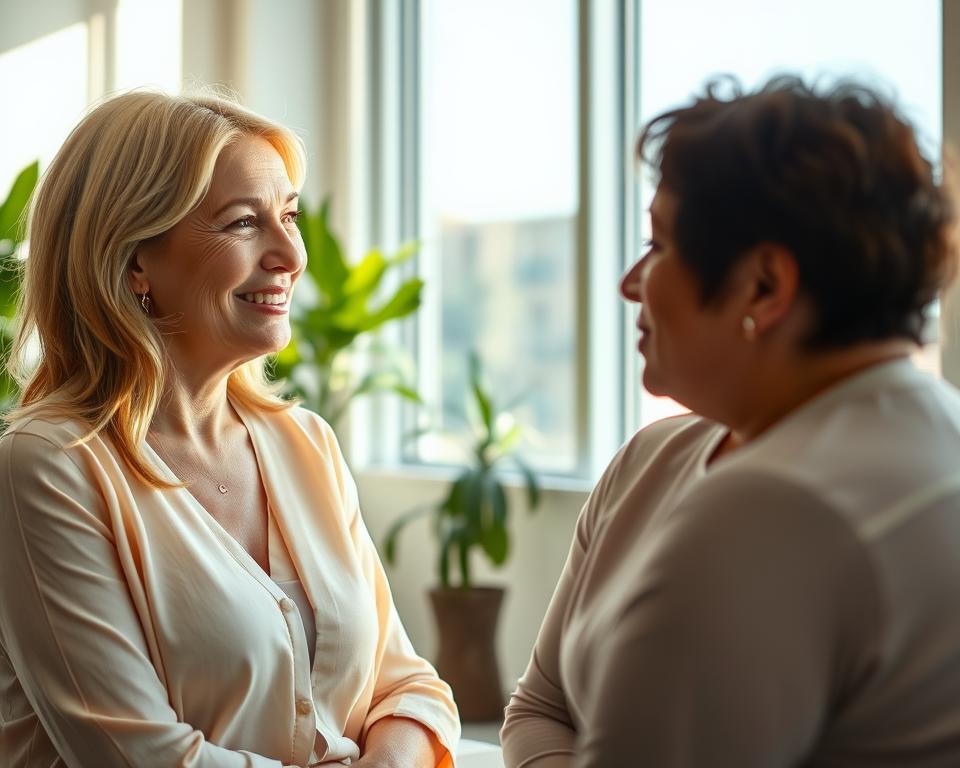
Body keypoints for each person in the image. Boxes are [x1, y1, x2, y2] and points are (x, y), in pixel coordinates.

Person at [501, 76, 960, 767]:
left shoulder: (773, 510)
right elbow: (539, 707)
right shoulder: (653, 460)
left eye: (659, 245)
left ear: (764, 285)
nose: (631, 282)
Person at [0, 91, 459, 768]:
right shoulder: (45, 465)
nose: (290, 254)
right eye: (244, 223)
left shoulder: (307, 443)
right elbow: (138, 757)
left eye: (289, 216)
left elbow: (409, 686)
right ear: (134, 262)